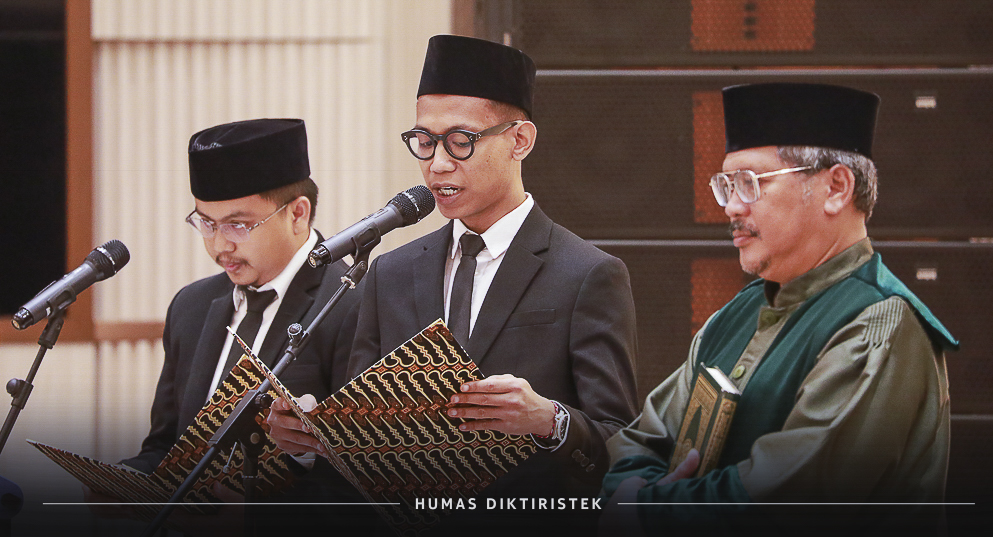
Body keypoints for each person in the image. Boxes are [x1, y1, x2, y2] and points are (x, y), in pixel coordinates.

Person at [267, 35, 640, 532]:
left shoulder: (586, 273)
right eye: (424, 141)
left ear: (520, 140)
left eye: (461, 141)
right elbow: (365, 447)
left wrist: (550, 421)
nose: (437, 164)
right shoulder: (390, 273)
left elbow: (622, 447)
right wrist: (314, 444)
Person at [599, 83, 959, 535]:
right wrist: (630, 491)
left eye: (751, 183)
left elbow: (789, 502)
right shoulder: (735, 315)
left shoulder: (879, 324)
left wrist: (642, 509)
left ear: (836, 188)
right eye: (727, 185)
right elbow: (639, 442)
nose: (731, 207)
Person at [86, 119, 360, 529]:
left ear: (297, 214)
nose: (219, 245)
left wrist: (255, 515)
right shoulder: (191, 306)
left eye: (238, 225)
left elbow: (367, 483)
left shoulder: (352, 302)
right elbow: (167, 448)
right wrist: (126, 482)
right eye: (206, 223)